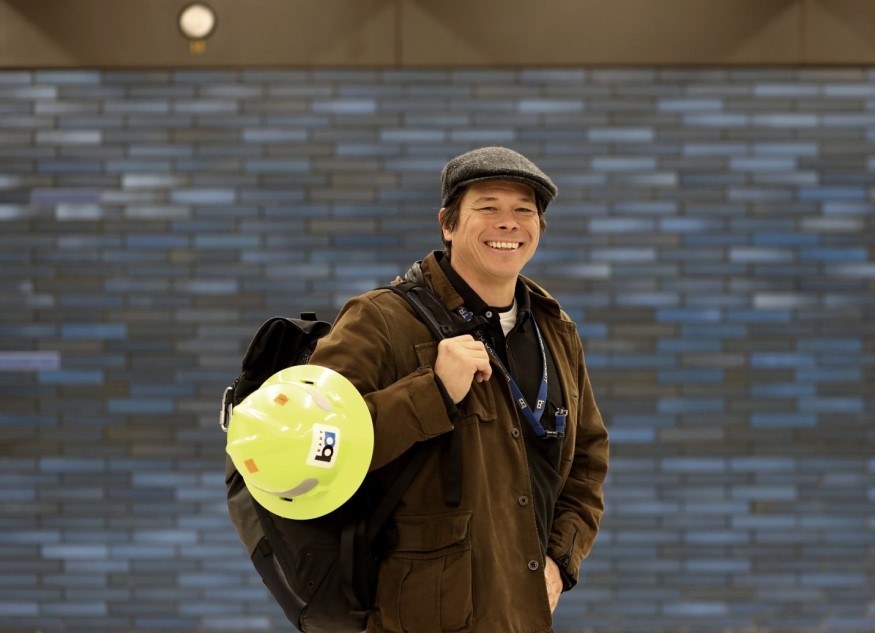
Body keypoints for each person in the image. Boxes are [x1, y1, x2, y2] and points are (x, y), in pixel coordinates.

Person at [309, 146, 609, 632]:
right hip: (415, 616)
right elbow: (313, 446)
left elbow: (588, 459)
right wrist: (432, 392)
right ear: (447, 224)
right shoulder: (381, 319)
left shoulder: (554, 330)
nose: (508, 223)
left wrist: (560, 559)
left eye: (523, 211)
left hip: (522, 615)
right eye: (488, 207)